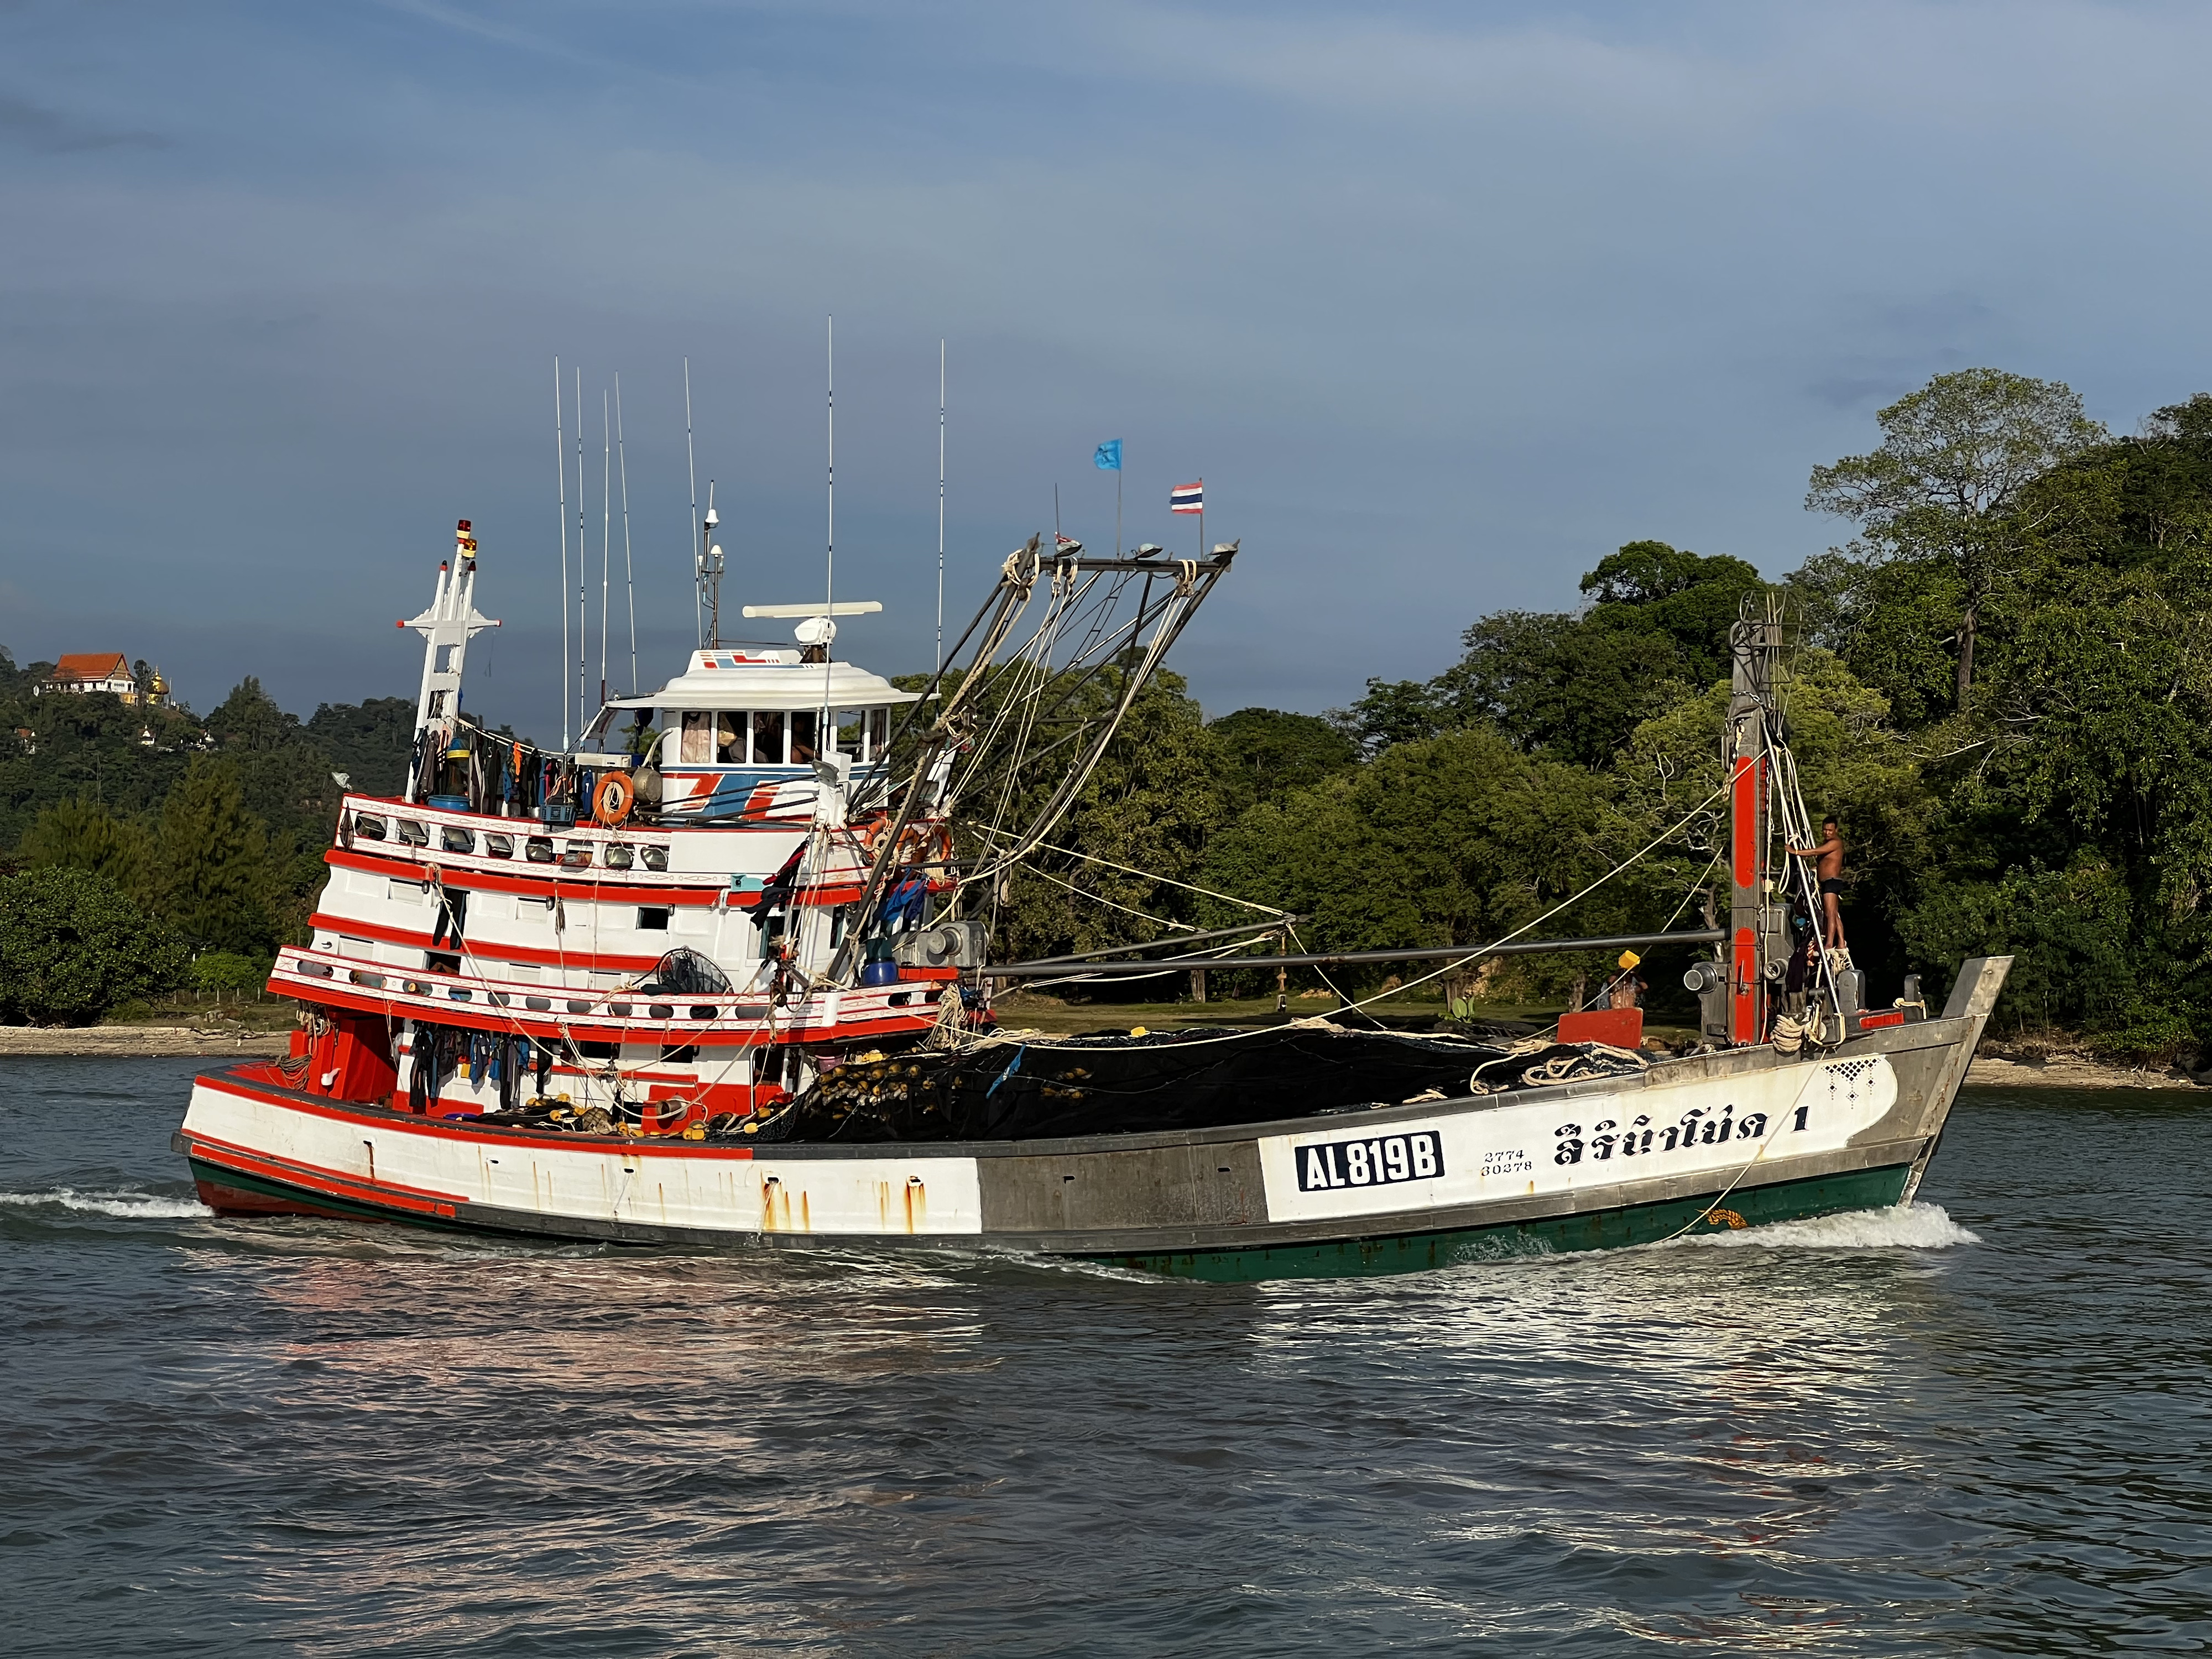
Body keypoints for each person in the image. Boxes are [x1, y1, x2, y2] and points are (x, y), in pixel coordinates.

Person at [1789, 817, 1848, 952]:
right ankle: (1841, 943)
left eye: (1830, 830)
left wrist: (1796, 852)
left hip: (1832, 882)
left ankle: (1829, 943)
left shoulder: (1835, 843)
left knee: (1829, 914)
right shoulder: (1827, 843)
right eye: (1825, 830)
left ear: (1836, 830)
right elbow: (1823, 861)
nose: (1827, 833)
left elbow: (1816, 852)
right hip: (1826, 883)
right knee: (1834, 913)